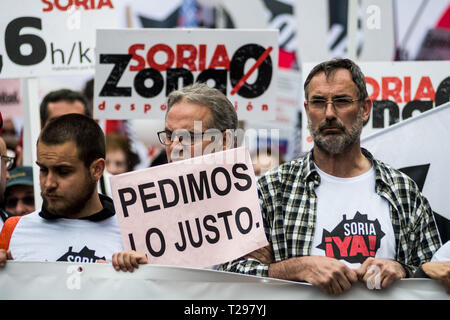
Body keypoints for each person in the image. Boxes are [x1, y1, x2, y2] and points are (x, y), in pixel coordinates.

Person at [219, 58, 442, 295]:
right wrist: (296, 268)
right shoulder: (272, 189)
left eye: (342, 101)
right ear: (307, 110)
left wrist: (402, 270)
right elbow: (226, 275)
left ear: (365, 109)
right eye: (318, 102)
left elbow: (437, 274)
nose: (329, 113)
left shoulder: (402, 191)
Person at [111, 82, 238, 272]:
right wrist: (134, 266)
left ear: (225, 141)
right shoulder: (137, 204)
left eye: (189, 136)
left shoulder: (259, 203)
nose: (176, 147)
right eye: (170, 135)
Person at [0, 114, 123, 266]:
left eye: (63, 171)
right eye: (44, 170)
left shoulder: (130, 234)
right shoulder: (14, 230)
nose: (49, 183)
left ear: (97, 169)